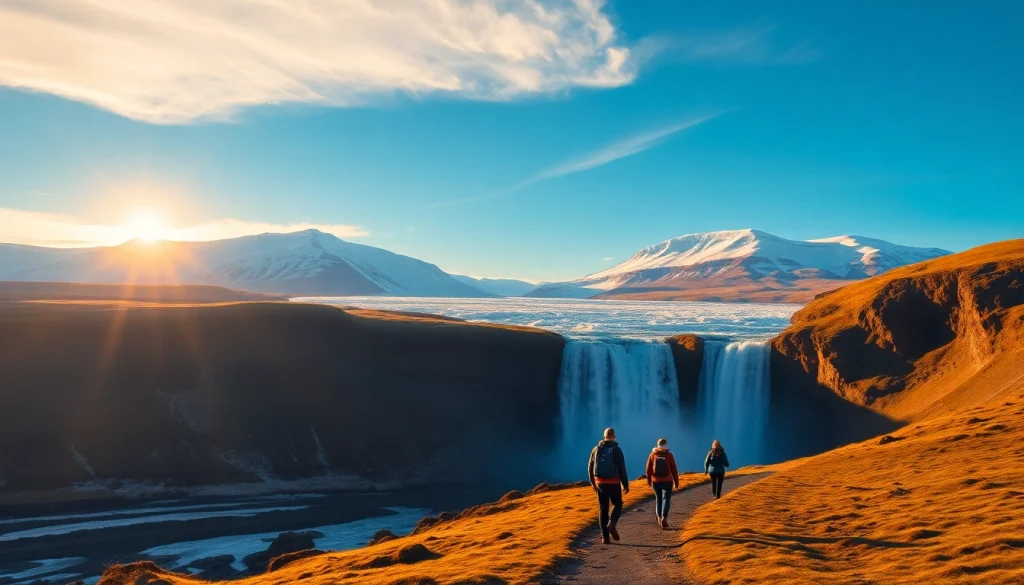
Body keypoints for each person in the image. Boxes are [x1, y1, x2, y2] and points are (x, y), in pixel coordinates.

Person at [588, 427, 629, 544]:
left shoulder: (596, 449)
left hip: (600, 483)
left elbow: (590, 467)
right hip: (614, 483)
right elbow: (622, 468)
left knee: (603, 508)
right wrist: (625, 484)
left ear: (604, 436)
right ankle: (612, 524)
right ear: (614, 437)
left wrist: (593, 484)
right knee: (618, 504)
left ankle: (604, 537)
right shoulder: (617, 450)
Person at [645, 438, 679, 529]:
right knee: (666, 499)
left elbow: (648, 469)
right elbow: (674, 469)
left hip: (656, 481)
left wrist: (649, 481)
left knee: (658, 499)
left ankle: (659, 518)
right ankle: (664, 517)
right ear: (666, 445)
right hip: (668, 480)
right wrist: (676, 482)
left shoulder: (652, 455)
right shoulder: (669, 455)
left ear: (657, 445)